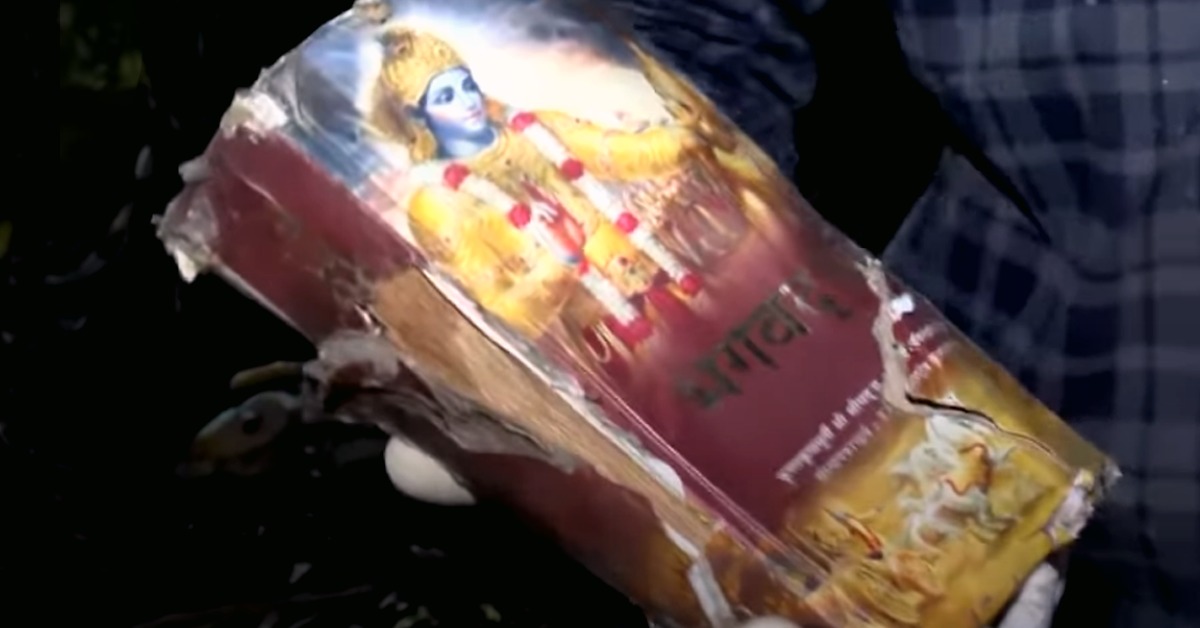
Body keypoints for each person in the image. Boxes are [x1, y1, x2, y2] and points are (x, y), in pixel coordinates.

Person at [377, 1, 1199, 626]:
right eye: (440, 95)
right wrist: (492, 344)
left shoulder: (549, 130)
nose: (463, 102)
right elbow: (716, 28)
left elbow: (635, 146)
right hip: (939, 458)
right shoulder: (442, 200)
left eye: (461, 84)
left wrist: (663, 144)